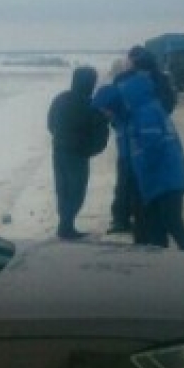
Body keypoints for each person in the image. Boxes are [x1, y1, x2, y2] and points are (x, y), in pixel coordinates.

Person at [94, 70, 184, 253]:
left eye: (105, 110)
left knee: (172, 222)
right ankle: (159, 264)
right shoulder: (126, 116)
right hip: (152, 179)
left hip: (166, 177)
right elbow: (128, 154)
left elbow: (151, 150)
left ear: (113, 104)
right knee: (154, 226)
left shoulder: (144, 112)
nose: (105, 115)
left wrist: (138, 179)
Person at [106, 47, 177, 234]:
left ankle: (121, 218)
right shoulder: (160, 79)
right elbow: (169, 105)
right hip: (151, 138)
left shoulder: (122, 79)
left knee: (126, 178)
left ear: (132, 61)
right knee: (151, 175)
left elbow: (112, 108)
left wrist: (119, 124)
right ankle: (151, 214)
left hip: (129, 141)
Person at [46, 65, 108, 239]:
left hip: (59, 151)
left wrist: (60, 137)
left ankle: (65, 225)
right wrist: (90, 150)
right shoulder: (91, 104)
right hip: (78, 155)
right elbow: (100, 134)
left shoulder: (60, 99)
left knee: (63, 189)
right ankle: (66, 228)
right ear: (91, 83)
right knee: (76, 191)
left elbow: (50, 124)